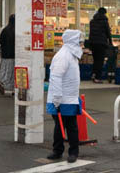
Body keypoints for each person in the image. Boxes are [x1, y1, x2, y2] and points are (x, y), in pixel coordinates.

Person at [46, 28, 84, 163]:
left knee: (68, 125)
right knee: (65, 126)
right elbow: (56, 77)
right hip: (61, 99)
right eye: (80, 42)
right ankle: (64, 151)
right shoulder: (63, 56)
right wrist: (56, 99)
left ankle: (62, 151)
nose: (81, 45)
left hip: (68, 97)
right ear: (73, 41)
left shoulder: (71, 55)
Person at [88, 7, 112, 82]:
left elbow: (91, 33)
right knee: (100, 61)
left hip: (93, 44)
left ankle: (93, 74)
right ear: (104, 13)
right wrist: (110, 42)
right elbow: (108, 33)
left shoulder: (92, 21)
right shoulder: (104, 21)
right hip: (101, 44)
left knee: (95, 60)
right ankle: (97, 78)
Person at [0, 14, 15, 96]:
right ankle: (13, 89)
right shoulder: (16, 30)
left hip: (5, 55)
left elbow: (0, 41)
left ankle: (1, 82)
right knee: (12, 73)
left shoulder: (4, 30)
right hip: (14, 55)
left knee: (4, 71)